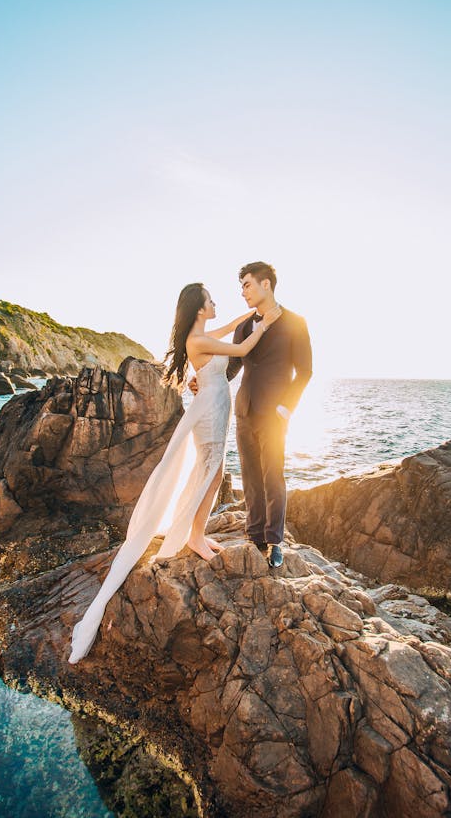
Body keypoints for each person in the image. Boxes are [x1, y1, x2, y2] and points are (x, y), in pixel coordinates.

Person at [68, 283, 281, 664]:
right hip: (211, 409)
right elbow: (242, 350)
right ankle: (195, 536)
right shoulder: (198, 341)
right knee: (211, 471)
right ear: (199, 308)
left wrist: (254, 314)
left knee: (212, 472)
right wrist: (266, 326)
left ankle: (195, 533)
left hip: (214, 403)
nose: (216, 304)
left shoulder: (200, 335)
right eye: (211, 300)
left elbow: (232, 326)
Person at [225, 261, 312, 568]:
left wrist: (286, 408)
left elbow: (305, 372)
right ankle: (255, 535)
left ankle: (275, 540)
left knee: (272, 475)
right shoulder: (244, 326)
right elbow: (233, 366)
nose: (243, 292)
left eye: (247, 285)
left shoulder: (296, 322)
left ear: (266, 284)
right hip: (244, 409)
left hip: (275, 414)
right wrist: (208, 380)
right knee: (250, 476)